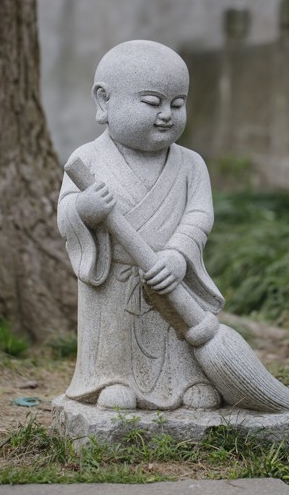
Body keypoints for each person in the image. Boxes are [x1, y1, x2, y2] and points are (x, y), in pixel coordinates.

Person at [57, 40, 224, 411]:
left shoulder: (191, 164)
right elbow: (65, 214)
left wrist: (178, 255)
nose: (166, 115)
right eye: (152, 102)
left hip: (169, 273)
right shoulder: (87, 159)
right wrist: (84, 209)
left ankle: (187, 380)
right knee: (115, 334)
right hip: (114, 279)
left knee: (176, 330)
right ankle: (110, 380)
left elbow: (200, 215)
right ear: (104, 101)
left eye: (177, 104)